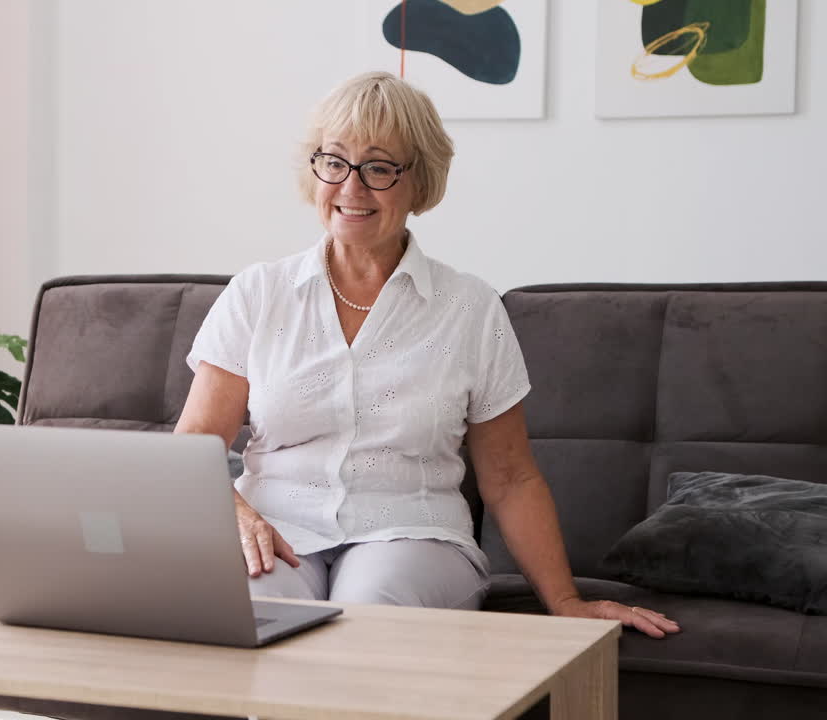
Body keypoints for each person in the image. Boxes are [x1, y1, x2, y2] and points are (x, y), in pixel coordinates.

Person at [173, 71, 679, 639]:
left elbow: (510, 477)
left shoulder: (469, 309)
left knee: (368, 612)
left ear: (420, 183)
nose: (351, 187)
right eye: (334, 162)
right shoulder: (258, 293)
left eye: (380, 168)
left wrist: (566, 602)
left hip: (412, 533)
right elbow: (194, 446)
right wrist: (236, 514)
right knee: (248, 613)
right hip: (278, 529)